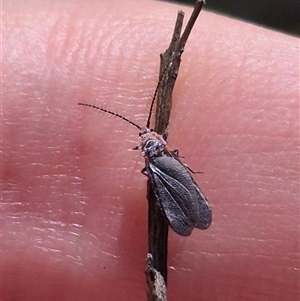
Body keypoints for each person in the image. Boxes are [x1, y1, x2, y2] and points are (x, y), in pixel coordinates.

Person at [2, 1, 298, 300]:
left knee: (170, 185)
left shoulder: (153, 158)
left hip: (164, 171)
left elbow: (155, 161)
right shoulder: (164, 153)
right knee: (177, 182)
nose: (146, 136)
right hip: (168, 168)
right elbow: (165, 157)